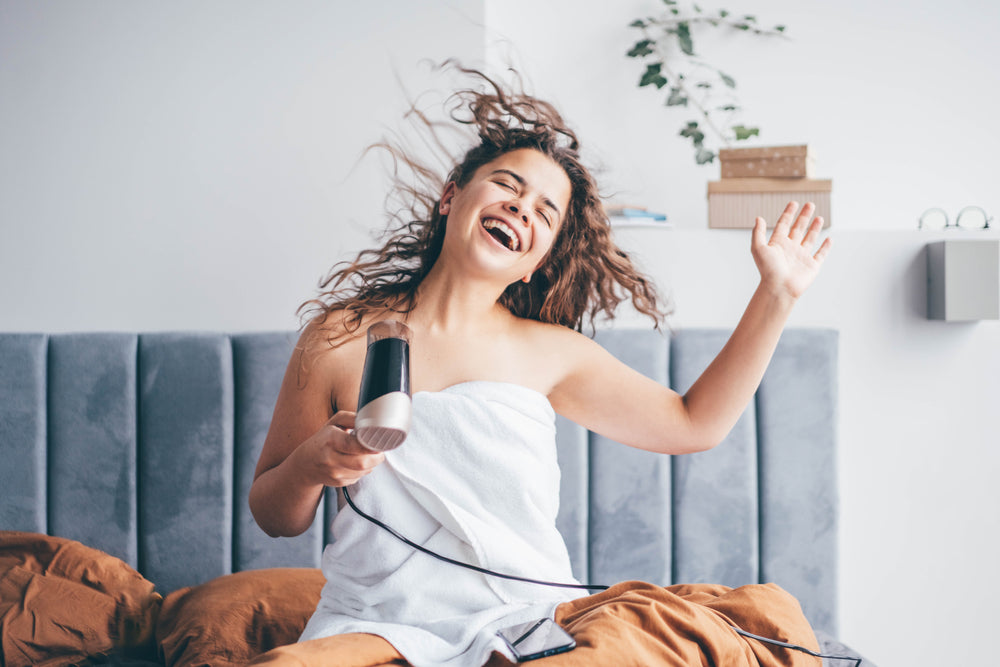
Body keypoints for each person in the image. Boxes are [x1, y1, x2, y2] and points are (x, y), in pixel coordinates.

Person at [248, 66, 832, 667]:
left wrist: (776, 295)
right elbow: (273, 513)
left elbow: (695, 424)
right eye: (507, 185)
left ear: (537, 261)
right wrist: (312, 464)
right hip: (376, 622)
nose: (520, 207)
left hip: (520, 621)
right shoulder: (340, 336)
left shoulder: (553, 353)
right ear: (452, 196)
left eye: (544, 211)